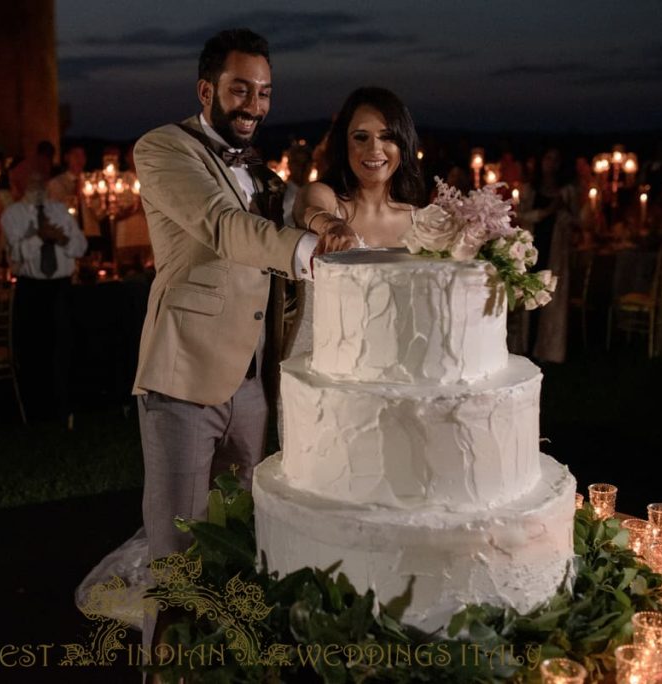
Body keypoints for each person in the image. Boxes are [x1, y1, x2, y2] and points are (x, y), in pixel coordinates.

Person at [127, 28, 353, 654]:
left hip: (253, 386)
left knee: (237, 544)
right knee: (177, 557)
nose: (255, 104)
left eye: (265, 92)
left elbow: (293, 200)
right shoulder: (163, 149)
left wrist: (318, 214)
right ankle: (164, 669)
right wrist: (307, 249)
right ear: (206, 89)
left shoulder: (259, 167)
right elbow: (224, 228)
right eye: (240, 90)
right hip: (183, 378)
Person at [284, 86, 429, 363]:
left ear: (403, 143)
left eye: (387, 137)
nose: (374, 149)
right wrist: (332, 225)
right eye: (361, 137)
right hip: (318, 365)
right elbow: (307, 207)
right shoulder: (326, 196)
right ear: (344, 144)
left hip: (396, 369)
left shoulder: (421, 222)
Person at [1, 168, 87, 426]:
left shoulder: (59, 211)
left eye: (41, 180)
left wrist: (61, 239)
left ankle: (64, 409)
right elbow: (16, 254)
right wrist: (40, 237)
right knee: (35, 352)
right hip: (32, 289)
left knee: (64, 348)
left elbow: (81, 246)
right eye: (31, 180)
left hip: (60, 287)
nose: (37, 184)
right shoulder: (12, 215)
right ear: (19, 184)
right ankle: (38, 414)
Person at [516, 147, 578, 362]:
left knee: (549, 296)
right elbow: (521, 216)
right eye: (548, 158)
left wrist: (563, 212)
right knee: (528, 293)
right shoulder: (530, 189)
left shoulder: (566, 192)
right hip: (533, 247)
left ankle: (547, 349)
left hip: (555, 250)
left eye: (556, 159)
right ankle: (525, 344)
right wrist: (547, 211)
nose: (551, 163)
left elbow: (578, 221)